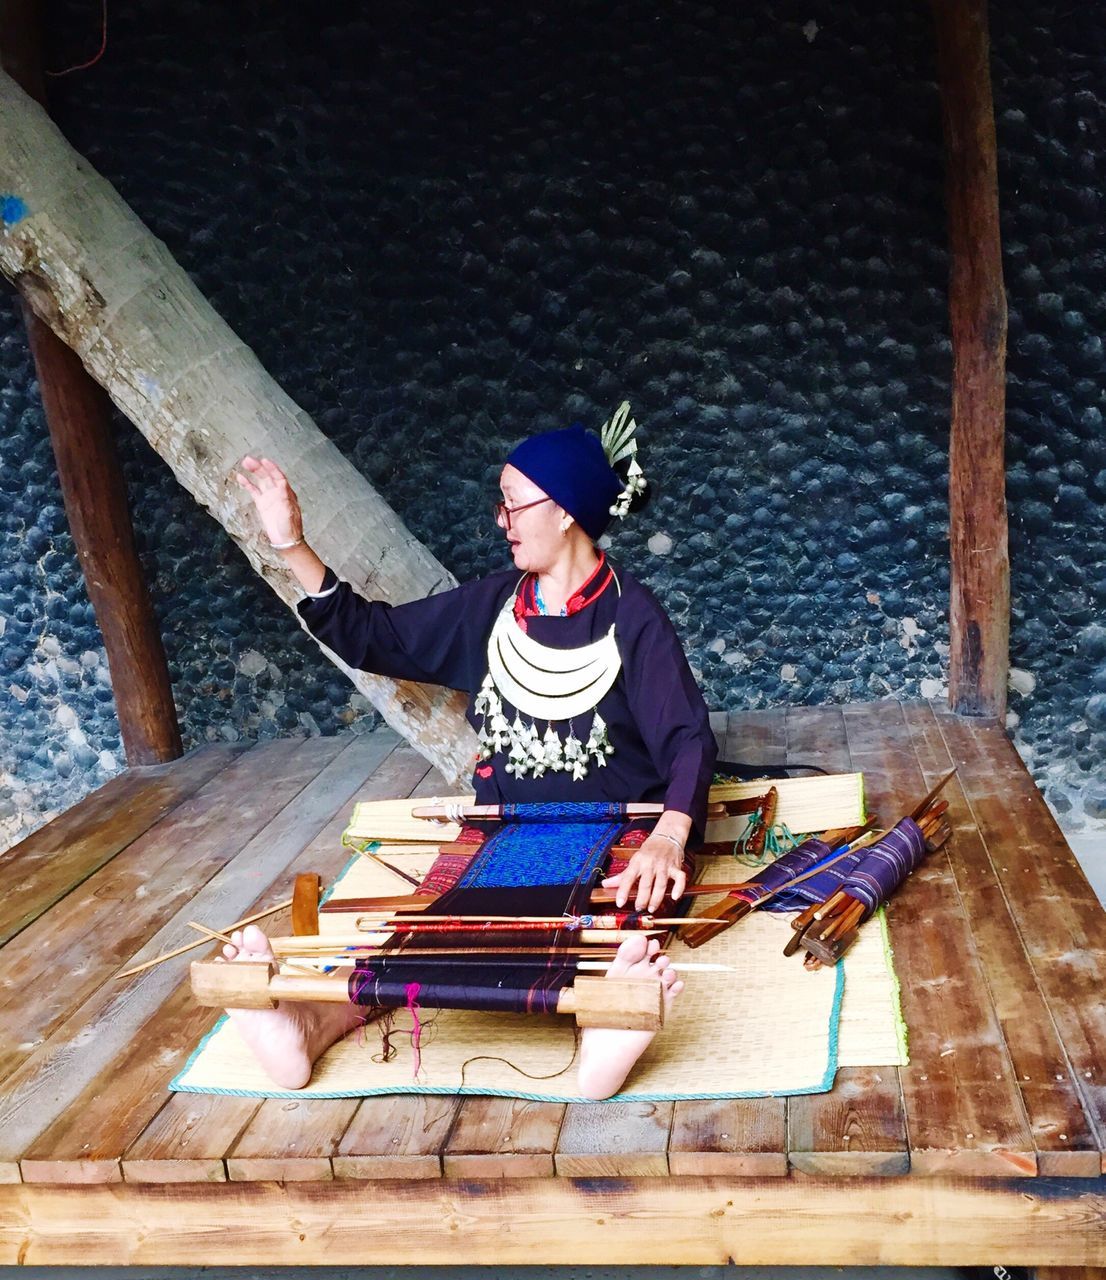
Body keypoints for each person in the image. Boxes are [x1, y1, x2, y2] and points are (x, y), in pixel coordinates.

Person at [225, 415, 717, 1098]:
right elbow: (377, 637)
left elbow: (688, 738)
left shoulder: (634, 617)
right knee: (442, 929)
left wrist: (668, 835)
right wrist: (291, 542)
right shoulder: (494, 606)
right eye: (503, 502)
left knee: (611, 921)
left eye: (514, 501)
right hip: (509, 832)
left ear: (566, 511)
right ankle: (310, 1025)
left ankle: (603, 1025)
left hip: (615, 829)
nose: (502, 519)